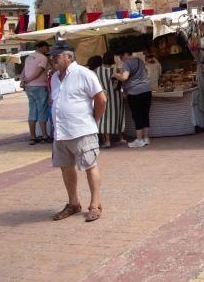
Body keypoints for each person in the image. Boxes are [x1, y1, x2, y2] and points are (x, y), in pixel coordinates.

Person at [48, 42, 107, 223]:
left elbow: (101, 99)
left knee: (90, 165)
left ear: (69, 57)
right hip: (61, 132)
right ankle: (73, 203)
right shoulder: (54, 78)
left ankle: (95, 204)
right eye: (52, 56)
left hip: (82, 130)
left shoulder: (84, 74)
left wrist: (93, 120)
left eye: (57, 56)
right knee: (66, 167)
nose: (53, 60)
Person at [113, 48, 153, 147]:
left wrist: (115, 75)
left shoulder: (127, 63)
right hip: (147, 89)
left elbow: (124, 77)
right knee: (145, 114)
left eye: (121, 57)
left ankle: (139, 140)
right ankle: (146, 138)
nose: (121, 59)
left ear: (125, 54)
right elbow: (146, 73)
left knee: (137, 115)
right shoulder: (140, 60)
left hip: (134, 91)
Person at [22, 41, 51, 144]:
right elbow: (38, 72)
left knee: (32, 111)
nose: (48, 50)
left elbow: (23, 71)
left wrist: (24, 81)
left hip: (29, 87)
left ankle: (33, 137)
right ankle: (44, 136)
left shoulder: (29, 57)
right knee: (42, 110)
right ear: (42, 48)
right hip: (39, 86)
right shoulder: (42, 58)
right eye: (47, 48)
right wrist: (28, 80)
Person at [96, 51, 126, 148]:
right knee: (118, 115)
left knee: (105, 118)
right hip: (116, 96)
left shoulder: (97, 70)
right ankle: (120, 137)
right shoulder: (115, 70)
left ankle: (107, 141)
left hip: (103, 95)